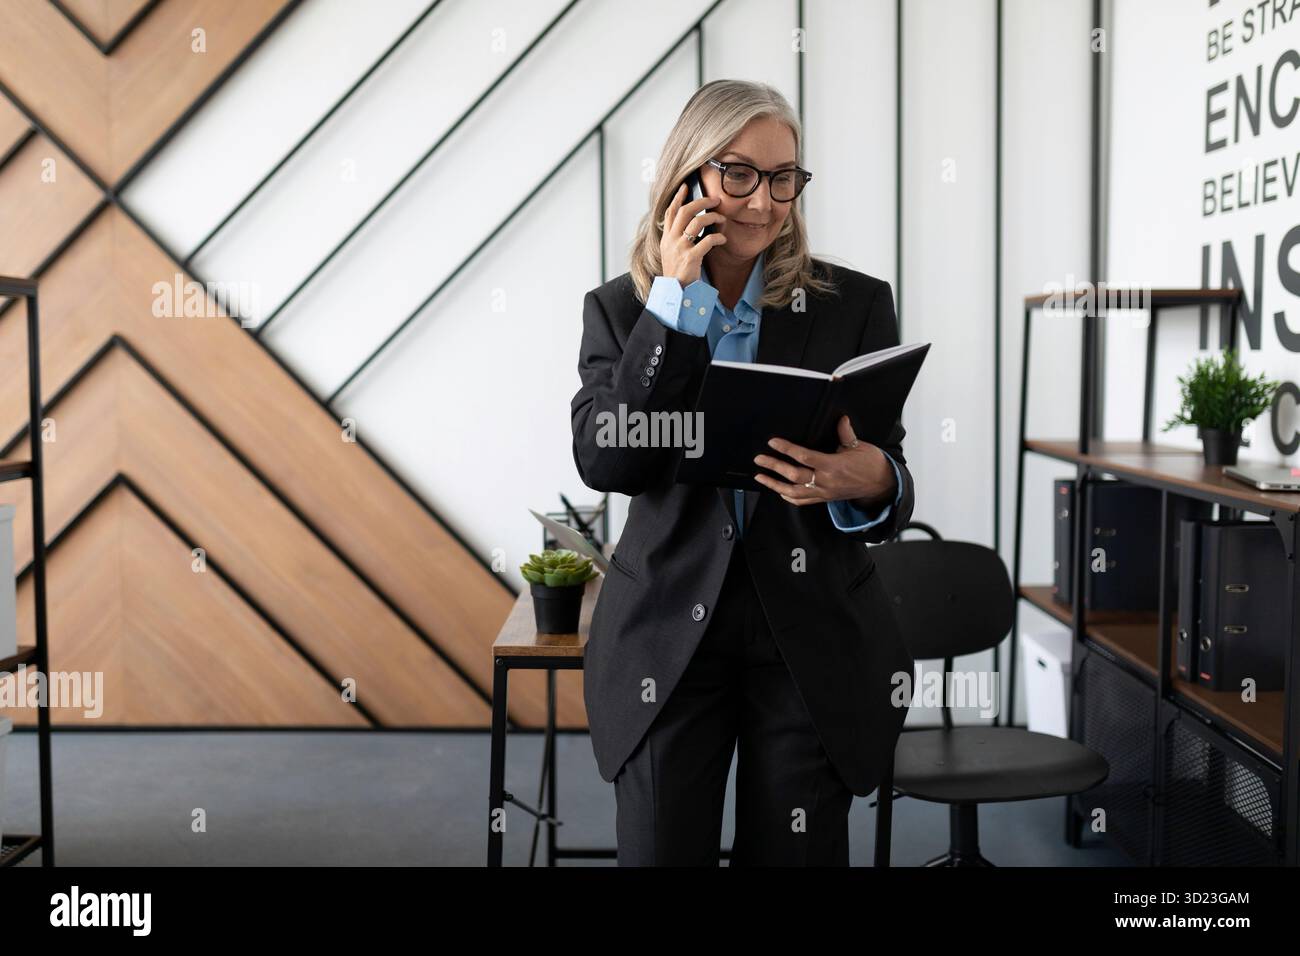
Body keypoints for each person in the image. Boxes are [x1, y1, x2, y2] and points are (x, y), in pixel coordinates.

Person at [570, 79, 915, 866]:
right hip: (667, 631)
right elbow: (607, 459)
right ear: (686, 180)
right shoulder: (624, 310)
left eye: (784, 177)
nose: (765, 201)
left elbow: (885, 465)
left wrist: (872, 482)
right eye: (739, 174)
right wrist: (673, 308)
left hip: (810, 630)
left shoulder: (853, 306)